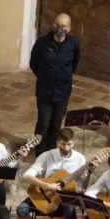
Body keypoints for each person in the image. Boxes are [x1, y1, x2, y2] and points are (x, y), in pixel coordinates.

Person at [17, 127, 89, 219]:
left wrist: (89, 173)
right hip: (46, 197)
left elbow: (84, 186)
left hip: (65, 199)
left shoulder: (80, 159)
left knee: (70, 206)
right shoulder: (47, 156)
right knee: (22, 209)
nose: (66, 147)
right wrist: (48, 185)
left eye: (69, 144)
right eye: (63, 144)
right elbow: (27, 176)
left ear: (74, 143)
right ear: (57, 142)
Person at [29, 13, 80, 156]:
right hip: (45, 91)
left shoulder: (73, 44)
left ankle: (51, 151)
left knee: (56, 124)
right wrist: (45, 77)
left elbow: (74, 63)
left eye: (63, 26)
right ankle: (40, 152)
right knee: (44, 123)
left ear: (69, 28)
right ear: (53, 25)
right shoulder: (42, 42)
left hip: (62, 92)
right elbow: (34, 63)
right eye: (57, 25)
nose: (60, 28)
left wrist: (63, 78)